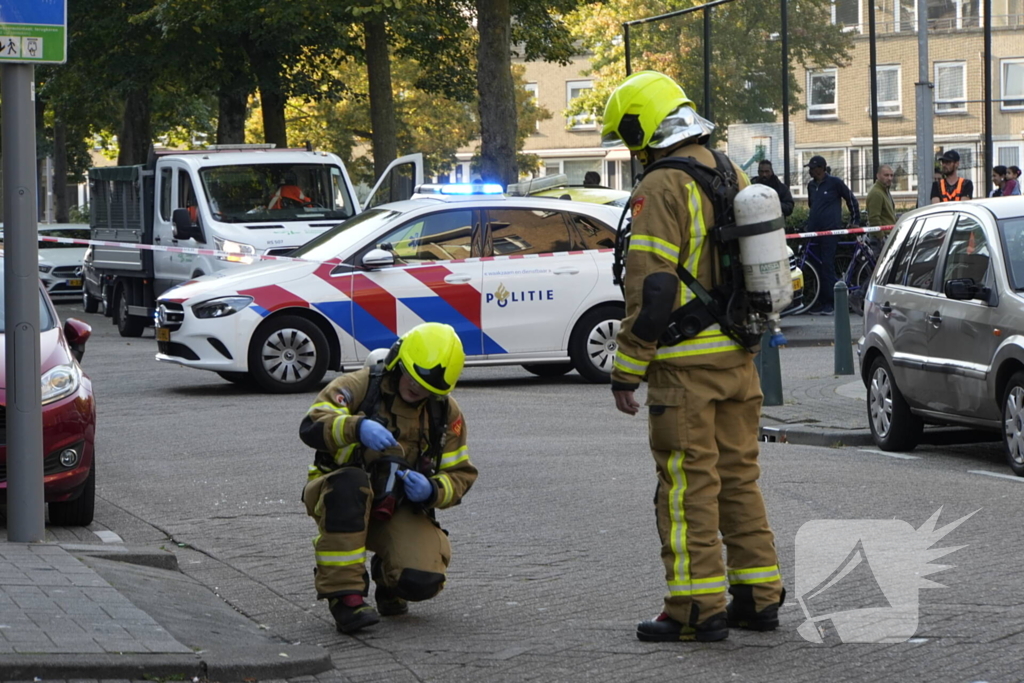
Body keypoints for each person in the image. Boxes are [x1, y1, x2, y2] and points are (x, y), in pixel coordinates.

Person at [601, 70, 785, 644]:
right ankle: (758, 596)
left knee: (687, 490)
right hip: (739, 357)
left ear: (644, 126)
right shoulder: (728, 169)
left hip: (685, 371)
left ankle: (694, 608)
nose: (632, 149)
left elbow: (651, 287)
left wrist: (627, 367)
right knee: (739, 480)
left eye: (630, 137)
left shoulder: (660, 186)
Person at [299, 322, 477, 634]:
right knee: (350, 485)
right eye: (412, 376)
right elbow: (312, 425)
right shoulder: (361, 385)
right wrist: (356, 428)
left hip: (396, 505)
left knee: (421, 580)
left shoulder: (445, 413)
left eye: (429, 388)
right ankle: (346, 597)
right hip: (336, 493)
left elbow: (460, 474)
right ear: (398, 360)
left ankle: (389, 576)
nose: (417, 388)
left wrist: (432, 490)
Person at [805, 155, 860, 316]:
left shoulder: (835, 183)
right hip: (814, 231)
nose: (810, 171)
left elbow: (851, 199)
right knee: (815, 265)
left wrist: (855, 219)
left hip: (830, 231)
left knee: (827, 264)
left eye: (813, 168)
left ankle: (831, 302)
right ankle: (819, 300)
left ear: (821, 168)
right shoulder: (811, 186)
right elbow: (812, 206)